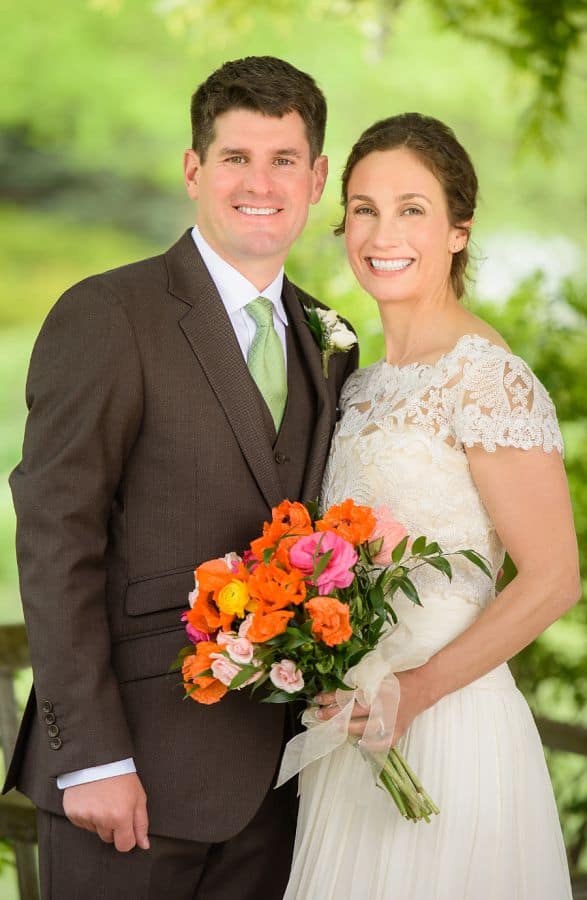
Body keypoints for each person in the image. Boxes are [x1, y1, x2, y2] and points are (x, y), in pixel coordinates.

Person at [4, 56, 357, 900]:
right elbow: (57, 535)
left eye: (282, 160)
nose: (259, 183)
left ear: (315, 180)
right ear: (194, 170)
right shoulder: (109, 313)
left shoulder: (329, 339)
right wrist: (92, 757)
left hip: (278, 787)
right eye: (236, 158)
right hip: (130, 778)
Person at [284, 113, 579, 899]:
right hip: (354, 731)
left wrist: (414, 692)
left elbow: (553, 579)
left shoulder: (485, 378)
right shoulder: (359, 383)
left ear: (457, 230)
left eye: (411, 209)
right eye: (364, 208)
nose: (382, 233)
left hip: (449, 725)